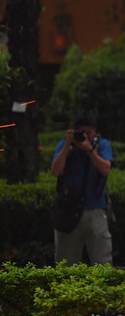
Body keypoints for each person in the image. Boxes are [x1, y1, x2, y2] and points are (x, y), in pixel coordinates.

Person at [50, 112, 113, 266]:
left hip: (95, 210)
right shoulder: (65, 146)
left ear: (95, 132)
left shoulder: (102, 145)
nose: (85, 136)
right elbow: (55, 171)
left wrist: (89, 150)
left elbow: (105, 169)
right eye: (81, 133)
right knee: (66, 263)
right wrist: (67, 145)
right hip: (68, 211)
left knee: (102, 262)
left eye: (89, 133)